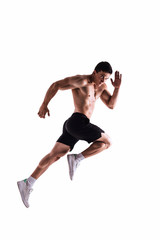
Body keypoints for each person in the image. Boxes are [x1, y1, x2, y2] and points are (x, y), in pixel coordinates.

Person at [17, 61, 122, 208]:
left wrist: (116, 88)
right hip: (77, 122)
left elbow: (111, 105)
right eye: (101, 76)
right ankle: (77, 158)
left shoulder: (102, 87)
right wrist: (44, 104)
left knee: (54, 155)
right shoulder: (82, 81)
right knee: (107, 142)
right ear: (95, 72)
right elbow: (56, 85)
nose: (103, 80)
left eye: (106, 78)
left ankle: (28, 182)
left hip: (75, 126)